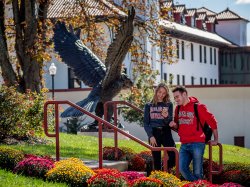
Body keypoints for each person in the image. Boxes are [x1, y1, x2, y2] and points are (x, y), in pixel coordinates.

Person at [169, 86, 218, 181]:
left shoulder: (199, 107)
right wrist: (173, 125)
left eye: (177, 97)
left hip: (197, 143)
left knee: (197, 172)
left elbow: (213, 121)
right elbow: (178, 126)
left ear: (184, 94)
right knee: (181, 169)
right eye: (174, 97)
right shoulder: (177, 109)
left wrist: (216, 139)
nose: (176, 100)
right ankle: (199, 184)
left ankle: (198, 183)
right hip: (184, 144)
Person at [144, 83, 176, 171]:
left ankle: (164, 170)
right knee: (156, 160)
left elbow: (168, 121)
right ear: (156, 91)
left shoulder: (168, 104)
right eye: (160, 92)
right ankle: (159, 177)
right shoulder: (148, 105)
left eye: (164, 93)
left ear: (166, 94)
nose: (161, 95)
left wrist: (166, 117)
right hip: (154, 133)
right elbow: (146, 123)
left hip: (166, 132)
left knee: (174, 156)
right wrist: (150, 136)